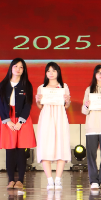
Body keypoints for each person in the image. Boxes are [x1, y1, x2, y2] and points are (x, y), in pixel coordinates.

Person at [0, 58, 37, 189]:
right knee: (10, 150)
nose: (18, 69)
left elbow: (28, 105)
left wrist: (20, 121)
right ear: (11, 68)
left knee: (21, 151)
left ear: (24, 70)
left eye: (21, 67)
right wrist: (7, 121)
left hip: (22, 120)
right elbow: (0, 105)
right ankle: (10, 180)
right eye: (16, 66)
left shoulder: (27, 85)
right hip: (7, 120)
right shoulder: (3, 85)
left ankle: (20, 180)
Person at [35, 61, 71, 190]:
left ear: (58, 72)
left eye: (54, 70)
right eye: (48, 71)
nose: (51, 73)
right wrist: (37, 100)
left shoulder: (63, 86)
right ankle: (50, 180)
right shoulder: (41, 87)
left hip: (60, 117)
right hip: (46, 118)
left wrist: (67, 100)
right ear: (46, 73)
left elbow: (66, 106)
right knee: (46, 146)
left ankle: (58, 180)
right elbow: (40, 106)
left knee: (61, 146)